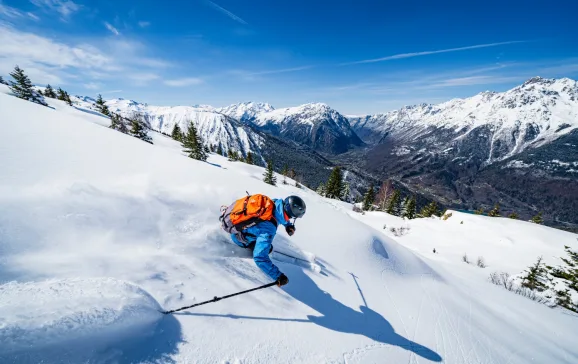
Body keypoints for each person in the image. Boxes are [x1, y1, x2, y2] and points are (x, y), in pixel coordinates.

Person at [229, 195, 306, 287]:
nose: (290, 220)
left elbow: (279, 214)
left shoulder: (273, 203)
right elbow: (259, 257)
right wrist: (278, 276)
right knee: (268, 249)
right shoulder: (268, 229)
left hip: (234, 219)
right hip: (238, 238)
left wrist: (287, 225)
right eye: (292, 217)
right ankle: (247, 247)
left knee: (265, 244)